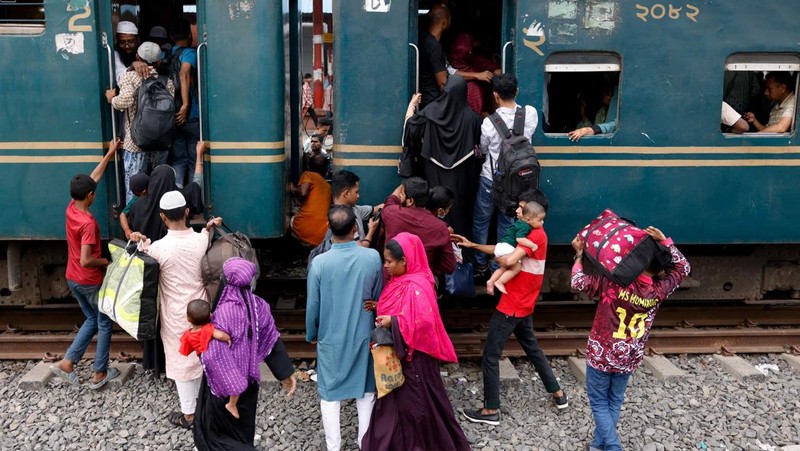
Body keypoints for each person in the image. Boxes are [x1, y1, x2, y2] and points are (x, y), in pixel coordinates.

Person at [571, 227, 690, 451]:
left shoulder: (613, 283)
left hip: (602, 353)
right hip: (630, 356)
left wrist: (578, 255)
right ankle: (598, 444)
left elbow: (578, 282)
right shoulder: (660, 290)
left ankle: (613, 446)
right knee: (614, 401)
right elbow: (684, 268)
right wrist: (666, 242)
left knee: (598, 402)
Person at [453, 198, 568, 425]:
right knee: (532, 349)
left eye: (520, 207)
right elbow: (502, 249)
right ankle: (558, 393)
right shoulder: (533, 232)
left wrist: (495, 258)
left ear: (531, 216)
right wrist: (473, 245)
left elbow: (507, 258)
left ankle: (490, 411)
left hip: (513, 304)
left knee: (490, 355)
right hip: (524, 302)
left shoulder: (533, 237)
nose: (516, 210)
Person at [361, 233, 470, 451]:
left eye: (389, 262)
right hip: (405, 358)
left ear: (405, 261)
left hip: (415, 361)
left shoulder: (416, 285)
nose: (386, 266)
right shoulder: (404, 280)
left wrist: (392, 320)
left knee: (414, 408)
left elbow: (424, 324)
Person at [130, 192, 221, 429]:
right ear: (187, 212)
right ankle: (205, 405)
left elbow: (140, 258)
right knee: (202, 354)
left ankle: (189, 414)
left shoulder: (158, 248)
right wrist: (209, 227)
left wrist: (138, 239)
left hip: (175, 315)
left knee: (181, 360)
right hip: (202, 310)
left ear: (162, 217)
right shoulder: (201, 241)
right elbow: (205, 236)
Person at [194, 258, 297, 450]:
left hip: (226, 385)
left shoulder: (223, 312)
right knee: (243, 428)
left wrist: (230, 382)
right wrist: (285, 373)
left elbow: (211, 355)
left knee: (217, 435)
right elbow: (271, 340)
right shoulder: (260, 307)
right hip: (249, 383)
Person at [307, 205, 384, 451]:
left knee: (330, 394)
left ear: (329, 229)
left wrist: (312, 333)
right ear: (355, 229)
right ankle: (365, 443)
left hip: (331, 337)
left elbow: (313, 305)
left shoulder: (319, 263)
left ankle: (334, 447)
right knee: (366, 391)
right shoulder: (372, 257)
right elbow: (378, 295)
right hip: (364, 335)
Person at [49, 140, 119, 389]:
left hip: (72, 278)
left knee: (91, 319)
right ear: (90, 197)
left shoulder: (72, 207)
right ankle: (100, 373)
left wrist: (109, 154)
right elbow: (87, 260)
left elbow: (92, 178)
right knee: (103, 322)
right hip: (89, 280)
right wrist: (107, 261)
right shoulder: (88, 223)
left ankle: (68, 363)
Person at [473, 73, 539, 275]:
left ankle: (480, 263)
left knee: (481, 221)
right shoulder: (530, 114)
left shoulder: (489, 122)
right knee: (508, 225)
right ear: (517, 91)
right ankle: (499, 265)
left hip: (491, 180)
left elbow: (483, 149)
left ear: (495, 95)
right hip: (518, 183)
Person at [402, 76, 481, 237]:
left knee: (434, 205)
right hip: (461, 174)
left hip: (432, 170)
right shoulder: (472, 118)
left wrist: (412, 105)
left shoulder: (430, 112)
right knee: (459, 210)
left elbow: (410, 131)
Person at [106, 42, 175, 203]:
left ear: (138, 57)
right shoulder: (167, 81)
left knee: (135, 187)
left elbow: (124, 102)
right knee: (158, 185)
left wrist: (111, 99)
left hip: (135, 143)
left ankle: (135, 220)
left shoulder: (130, 77)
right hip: (161, 143)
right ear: (158, 62)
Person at [418, 4, 493, 108]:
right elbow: (443, 83)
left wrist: (476, 75)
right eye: (449, 19)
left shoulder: (425, 40)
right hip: (433, 102)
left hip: (428, 101)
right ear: (444, 21)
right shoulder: (434, 47)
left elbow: (449, 70)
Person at [380, 178, 455, 277]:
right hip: (423, 281)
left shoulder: (392, 213)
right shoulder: (441, 228)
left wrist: (403, 185)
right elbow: (449, 266)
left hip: (393, 280)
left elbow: (392, 199)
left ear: (410, 200)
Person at [178, 299, 238, 417]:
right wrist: (228, 338)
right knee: (233, 380)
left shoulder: (188, 335)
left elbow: (184, 349)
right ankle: (231, 403)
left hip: (204, 359)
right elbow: (220, 335)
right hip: (216, 358)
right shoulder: (208, 329)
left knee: (213, 378)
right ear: (210, 315)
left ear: (188, 319)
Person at [308, 170, 380, 268]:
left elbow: (376, 209)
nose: (358, 195)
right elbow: (361, 249)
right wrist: (371, 230)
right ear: (346, 193)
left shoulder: (355, 209)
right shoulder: (343, 219)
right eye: (356, 192)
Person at [485, 201, 545, 296]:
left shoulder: (519, 223)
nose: (542, 222)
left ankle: (491, 281)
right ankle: (500, 281)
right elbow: (520, 239)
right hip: (507, 247)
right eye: (540, 220)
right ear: (528, 219)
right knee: (517, 267)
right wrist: (532, 245)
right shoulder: (525, 226)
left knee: (503, 268)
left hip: (501, 246)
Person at [169, 19, 201, 188]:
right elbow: (184, 71)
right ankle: (193, 196)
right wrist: (186, 104)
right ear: (189, 35)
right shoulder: (189, 53)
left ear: (171, 36)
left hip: (172, 115)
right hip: (191, 115)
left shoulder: (167, 55)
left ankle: (178, 195)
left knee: (179, 159)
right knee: (194, 159)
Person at [447, 33, 500, 115]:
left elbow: (496, 70)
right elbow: (451, 72)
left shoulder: (476, 61)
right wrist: (477, 75)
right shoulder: (448, 67)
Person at [290, 154, 332, 246]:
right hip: (322, 233)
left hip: (304, 227)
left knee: (290, 218)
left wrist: (291, 188)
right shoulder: (328, 186)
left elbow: (303, 192)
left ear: (309, 166)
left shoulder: (308, 175)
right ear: (326, 170)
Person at [120, 172, 149, 240]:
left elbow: (122, 215)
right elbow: (122, 215)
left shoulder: (135, 199)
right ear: (144, 192)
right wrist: (127, 230)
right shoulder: (135, 201)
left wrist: (126, 229)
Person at [114, 21, 139, 85]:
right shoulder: (114, 55)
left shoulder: (142, 52)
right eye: (122, 42)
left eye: (131, 41)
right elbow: (120, 77)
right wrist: (131, 67)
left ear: (137, 40)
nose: (127, 46)